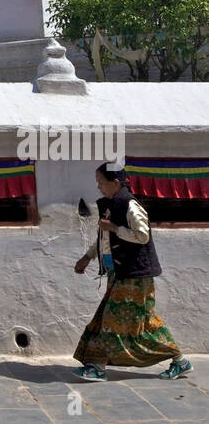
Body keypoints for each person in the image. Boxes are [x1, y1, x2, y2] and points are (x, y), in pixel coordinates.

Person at [73, 161, 192, 381]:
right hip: (119, 274)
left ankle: (97, 368)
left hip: (134, 276)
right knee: (144, 322)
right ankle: (180, 361)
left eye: (101, 182)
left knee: (110, 320)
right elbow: (104, 238)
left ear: (115, 182)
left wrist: (116, 228)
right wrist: (87, 257)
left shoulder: (130, 205)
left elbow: (143, 235)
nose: (98, 187)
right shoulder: (111, 204)